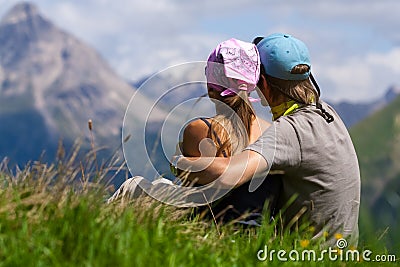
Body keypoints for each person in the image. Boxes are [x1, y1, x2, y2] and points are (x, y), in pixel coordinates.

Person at [172, 33, 361, 246]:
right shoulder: (326, 113)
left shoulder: (290, 131)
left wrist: (179, 162)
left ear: (262, 82)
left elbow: (226, 176)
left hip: (308, 255)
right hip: (344, 251)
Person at [108, 38, 281, 224]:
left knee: (132, 186)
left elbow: (191, 191)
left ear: (211, 83)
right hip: (255, 223)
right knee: (158, 185)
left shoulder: (201, 130)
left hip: (209, 222)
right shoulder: (274, 131)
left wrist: (177, 162)